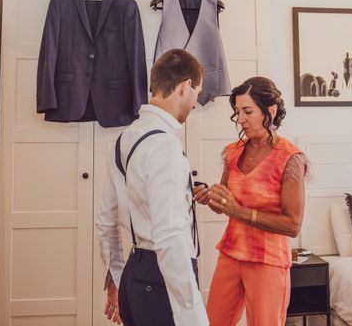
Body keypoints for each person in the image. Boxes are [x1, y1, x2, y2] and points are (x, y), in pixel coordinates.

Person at [95, 49, 209, 326]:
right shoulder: (164, 146)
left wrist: (120, 280)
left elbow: (105, 222)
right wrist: (192, 316)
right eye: (198, 92)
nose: (196, 102)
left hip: (136, 275)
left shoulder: (125, 139)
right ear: (185, 87)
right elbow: (170, 235)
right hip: (162, 281)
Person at [194, 76, 308, 326]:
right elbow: (226, 204)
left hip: (267, 261)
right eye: (237, 112)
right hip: (231, 254)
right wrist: (208, 199)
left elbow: (292, 225)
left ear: (271, 110)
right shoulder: (233, 152)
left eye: (247, 111)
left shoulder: (290, 158)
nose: (241, 119)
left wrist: (239, 211)